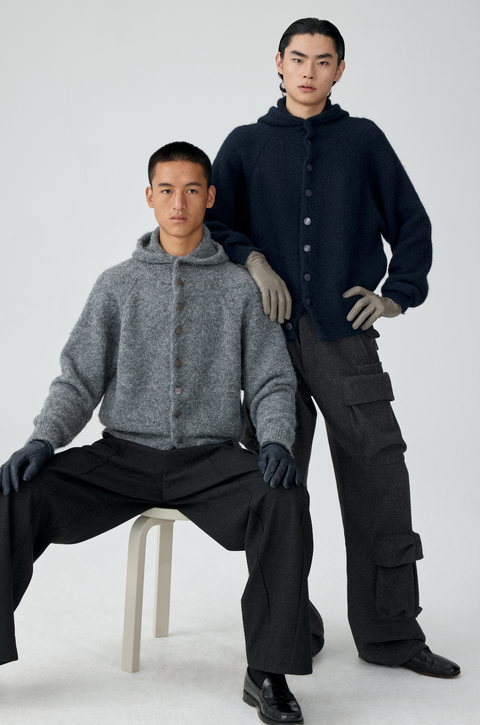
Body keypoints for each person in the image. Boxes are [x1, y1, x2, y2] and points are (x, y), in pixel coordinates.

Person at [0, 142, 313, 724]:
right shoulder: (116, 284)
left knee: (285, 498)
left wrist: (274, 439)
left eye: (192, 190)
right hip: (122, 460)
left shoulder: (239, 288)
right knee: (15, 493)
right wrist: (44, 438)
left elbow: (272, 379)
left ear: (210, 197)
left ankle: (268, 670)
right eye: (166, 190)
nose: (179, 203)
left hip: (210, 461)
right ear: (149, 197)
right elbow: (79, 377)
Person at [205, 18, 461, 678]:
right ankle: (288, 630)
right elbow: (212, 223)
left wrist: (395, 294)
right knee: (276, 484)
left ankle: (391, 633)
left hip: (345, 340)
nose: (309, 71)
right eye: (298, 58)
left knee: (380, 474)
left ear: (340, 69)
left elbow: (412, 222)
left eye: (323, 60)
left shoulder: (363, 140)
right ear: (278, 63)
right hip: (269, 344)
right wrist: (254, 260)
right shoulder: (245, 144)